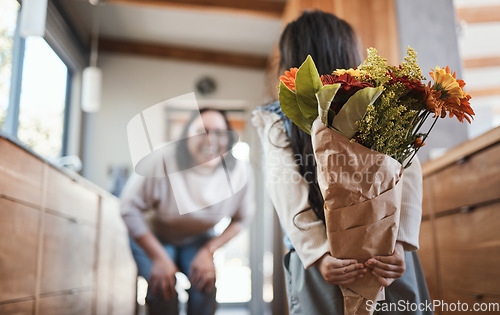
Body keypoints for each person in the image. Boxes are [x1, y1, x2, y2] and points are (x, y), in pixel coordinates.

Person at [252, 11, 432, 314]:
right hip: (385, 252)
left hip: (325, 260)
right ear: (348, 53)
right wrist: (400, 242)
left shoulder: (275, 117)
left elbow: (285, 188)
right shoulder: (380, 101)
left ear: (290, 59)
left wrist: (319, 253)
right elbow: (408, 170)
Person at [121, 108, 255, 315]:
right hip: (154, 235)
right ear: (186, 136)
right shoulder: (161, 158)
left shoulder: (240, 171)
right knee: (162, 289)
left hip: (198, 239)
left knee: (205, 284)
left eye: (219, 132)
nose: (210, 140)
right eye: (202, 131)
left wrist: (209, 250)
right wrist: (158, 257)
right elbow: (129, 208)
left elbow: (242, 219)